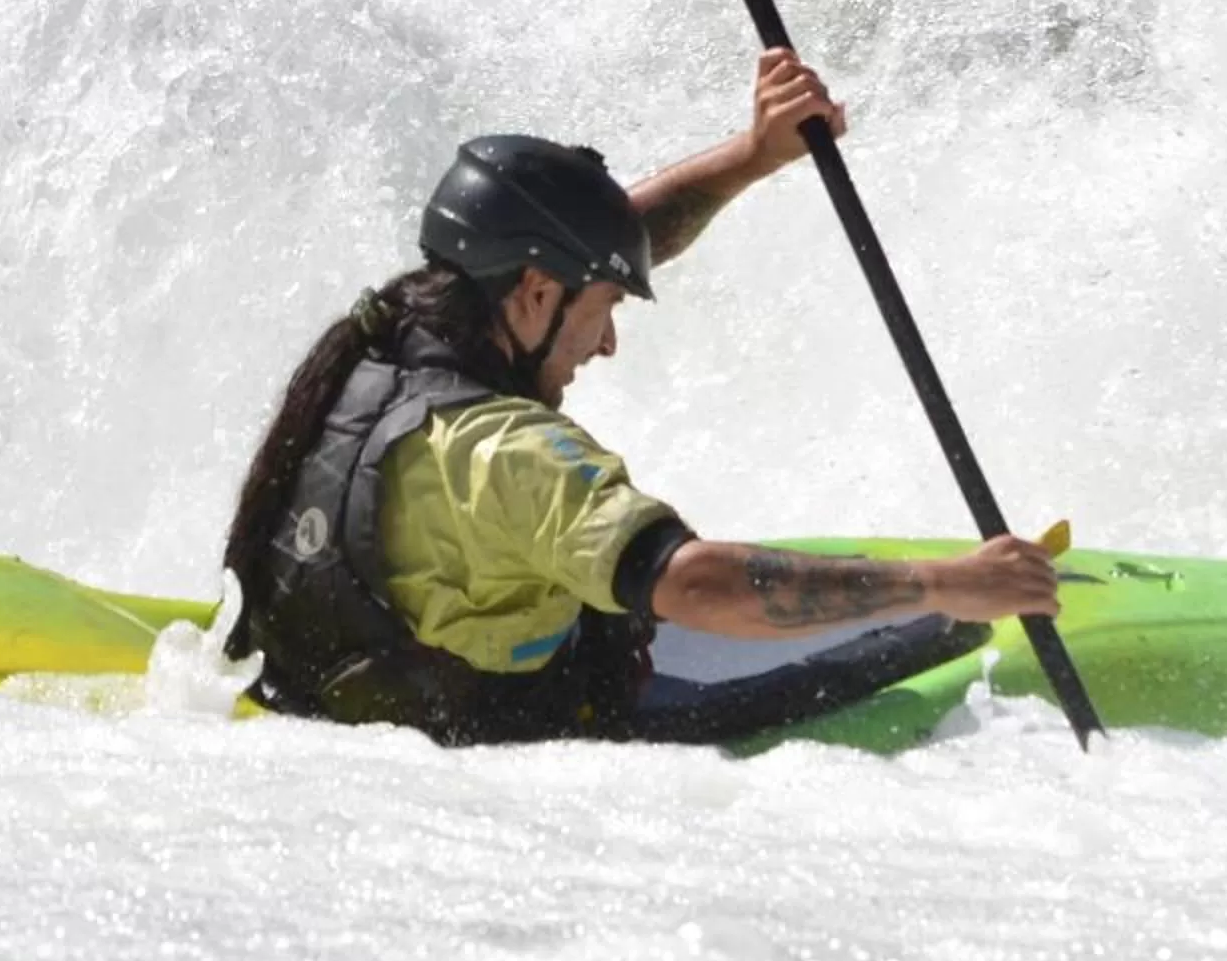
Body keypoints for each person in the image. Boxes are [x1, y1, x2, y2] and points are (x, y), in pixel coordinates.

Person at [219, 50, 1062, 745]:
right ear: (538, 295)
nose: (609, 343)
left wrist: (755, 154)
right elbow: (693, 587)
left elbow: (603, 241)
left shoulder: (389, 335)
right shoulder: (507, 455)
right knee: (937, 638)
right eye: (606, 311)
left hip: (329, 692)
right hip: (516, 732)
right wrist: (943, 586)